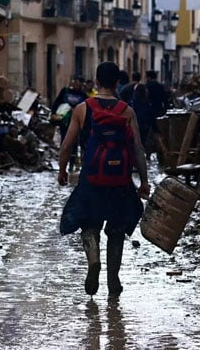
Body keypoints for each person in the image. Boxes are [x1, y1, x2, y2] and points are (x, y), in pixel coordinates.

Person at [58, 61, 150, 298]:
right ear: (117, 82)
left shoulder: (82, 109)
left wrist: (62, 171)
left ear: (97, 81)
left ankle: (93, 261)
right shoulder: (127, 111)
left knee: (89, 225)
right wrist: (144, 181)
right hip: (119, 181)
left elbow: (67, 145)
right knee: (117, 229)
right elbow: (137, 148)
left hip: (91, 179)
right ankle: (113, 280)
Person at [51, 76, 88, 168]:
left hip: (76, 122)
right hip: (64, 121)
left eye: (79, 82)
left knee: (74, 142)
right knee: (65, 140)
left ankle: (72, 162)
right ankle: (63, 163)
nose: (76, 84)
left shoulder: (83, 95)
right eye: (75, 81)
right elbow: (57, 102)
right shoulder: (65, 91)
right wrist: (53, 113)